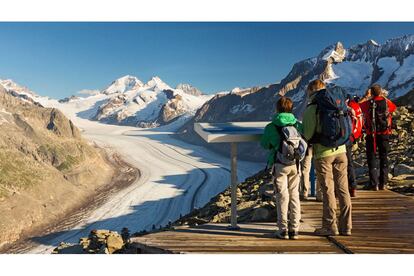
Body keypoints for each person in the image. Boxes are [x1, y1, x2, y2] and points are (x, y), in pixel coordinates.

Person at [303, 79, 352, 236]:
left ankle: (330, 227)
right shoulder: (336, 102)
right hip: (342, 150)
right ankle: (347, 226)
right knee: (343, 189)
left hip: (324, 154)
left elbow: (308, 134)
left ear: (311, 90)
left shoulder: (313, 107)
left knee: (328, 191)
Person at [261, 96, 307, 240]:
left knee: (282, 196)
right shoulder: (297, 125)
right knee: (294, 195)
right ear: (291, 109)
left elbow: (264, 144)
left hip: (280, 165)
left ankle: (283, 230)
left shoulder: (271, 126)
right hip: (295, 164)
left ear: (277, 109)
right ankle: (295, 229)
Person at [359, 84, 396, 191]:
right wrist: (383, 96)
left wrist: (366, 97)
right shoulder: (386, 102)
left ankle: (373, 184)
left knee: (372, 158)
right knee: (384, 157)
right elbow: (394, 107)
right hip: (384, 133)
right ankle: (383, 183)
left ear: (371, 93)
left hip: (372, 134)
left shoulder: (368, 103)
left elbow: (357, 106)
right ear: (380, 92)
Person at [346, 96, 364, 197]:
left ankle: (339, 189)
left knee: (338, 165)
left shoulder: (340, 106)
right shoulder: (354, 107)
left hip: (339, 140)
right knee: (349, 163)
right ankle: (352, 187)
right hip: (350, 138)